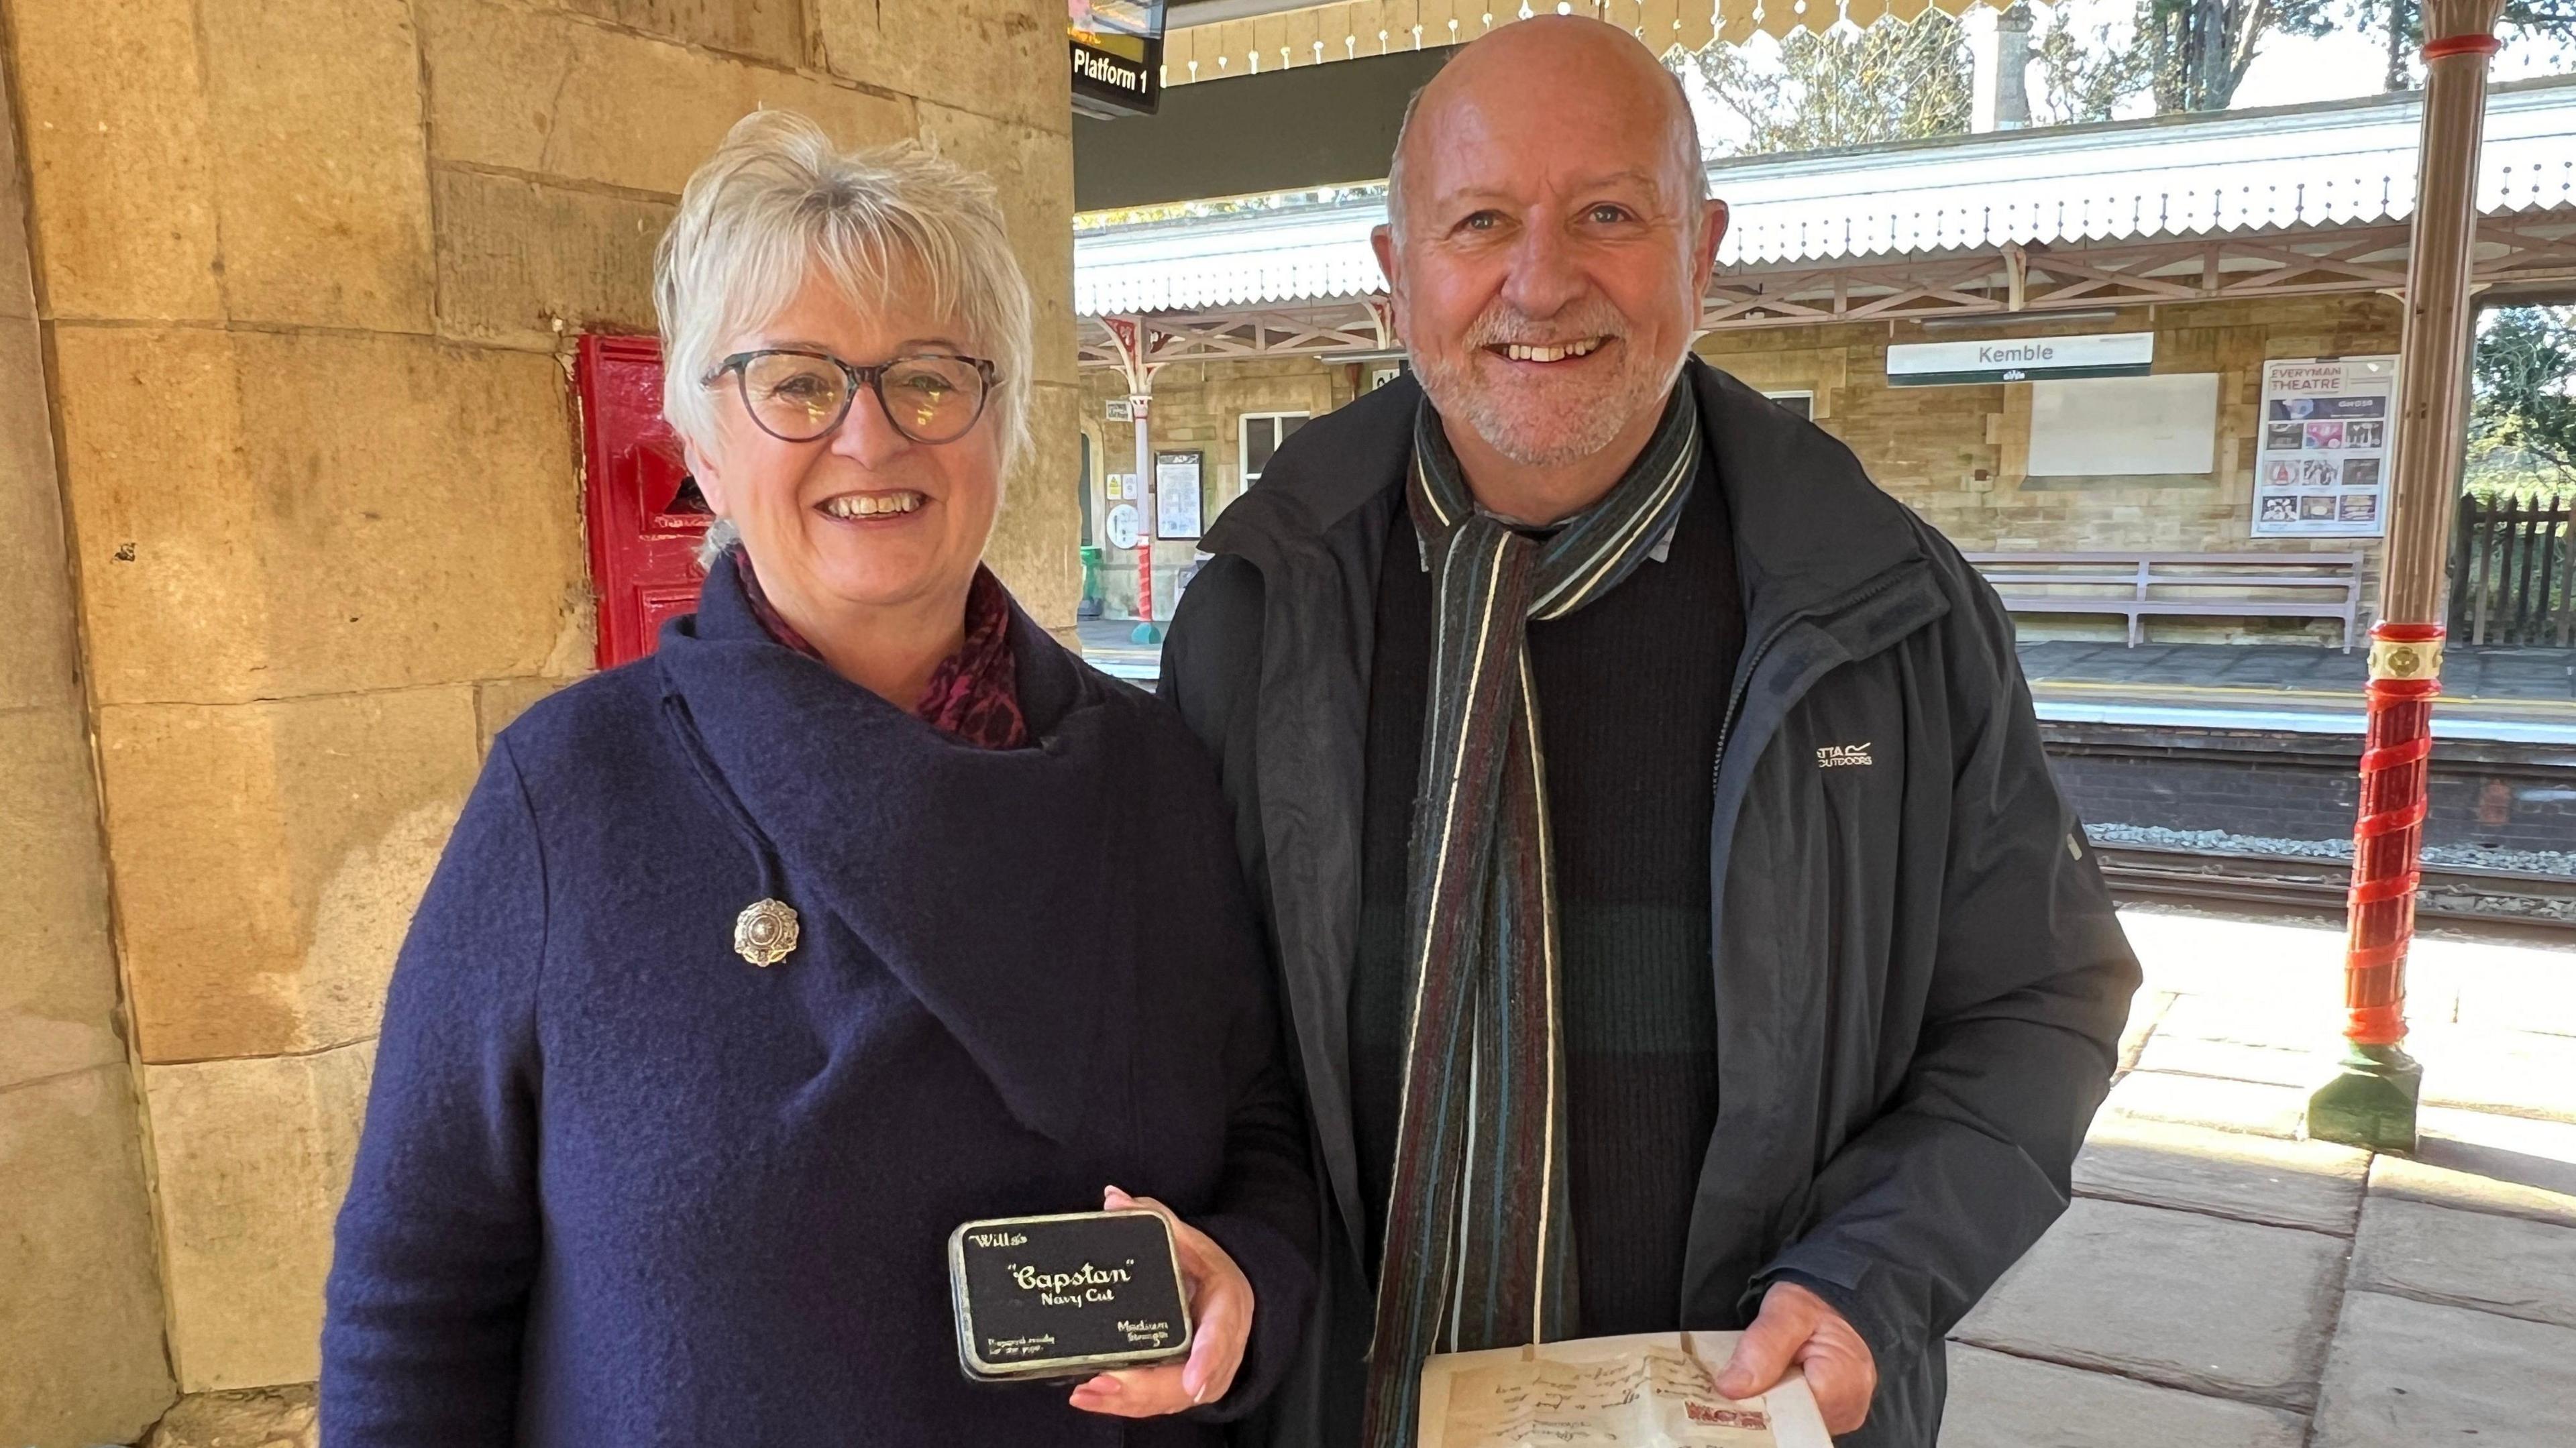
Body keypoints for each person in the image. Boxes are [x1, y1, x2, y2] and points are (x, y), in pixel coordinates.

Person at [1157, 21, 2141, 1448]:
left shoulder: (1895, 622)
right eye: (1479, 221)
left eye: (1609, 214)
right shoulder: (1253, 617)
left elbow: (2039, 1006)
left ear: (1704, 250)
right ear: (1394, 275)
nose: (1540, 280)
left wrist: (1871, 1274)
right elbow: (1196, 1044)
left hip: (1741, 1419)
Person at [321, 112, 1315, 1445]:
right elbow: (412, 1300)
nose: (871, 437)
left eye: (931, 379)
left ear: (1002, 422)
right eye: (796, 383)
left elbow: (1267, 1142)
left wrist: (1243, 1279)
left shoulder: (1148, 778)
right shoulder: (572, 794)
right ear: (705, 442)